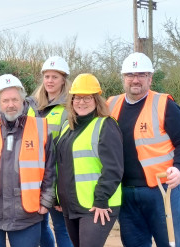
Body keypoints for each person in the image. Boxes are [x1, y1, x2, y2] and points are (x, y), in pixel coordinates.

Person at [107, 53, 180, 247]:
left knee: (170, 243)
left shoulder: (164, 105)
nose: (135, 80)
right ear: (123, 78)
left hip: (163, 191)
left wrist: (178, 169)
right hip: (126, 193)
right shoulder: (110, 105)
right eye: (130, 75)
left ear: (150, 78)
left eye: (141, 75)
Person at [0, 74, 56, 247]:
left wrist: (46, 200)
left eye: (15, 99)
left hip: (27, 216)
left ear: (23, 101)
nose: (10, 105)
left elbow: (50, 169)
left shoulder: (41, 130)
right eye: (5, 100)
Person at [55, 73, 123, 247]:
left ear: (96, 100)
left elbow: (113, 169)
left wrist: (101, 200)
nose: (81, 102)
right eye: (77, 97)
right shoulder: (67, 126)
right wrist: (58, 196)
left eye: (87, 98)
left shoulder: (105, 125)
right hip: (72, 205)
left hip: (97, 206)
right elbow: (61, 165)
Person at [28, 55, 74, 247]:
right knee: (38, 225)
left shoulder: (70, 106)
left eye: (55, 77)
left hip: (58, 177)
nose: (50, 81)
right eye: (47, 76)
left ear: (64, 79)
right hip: (33, 175)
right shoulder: (31, 104)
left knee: (62, 227)